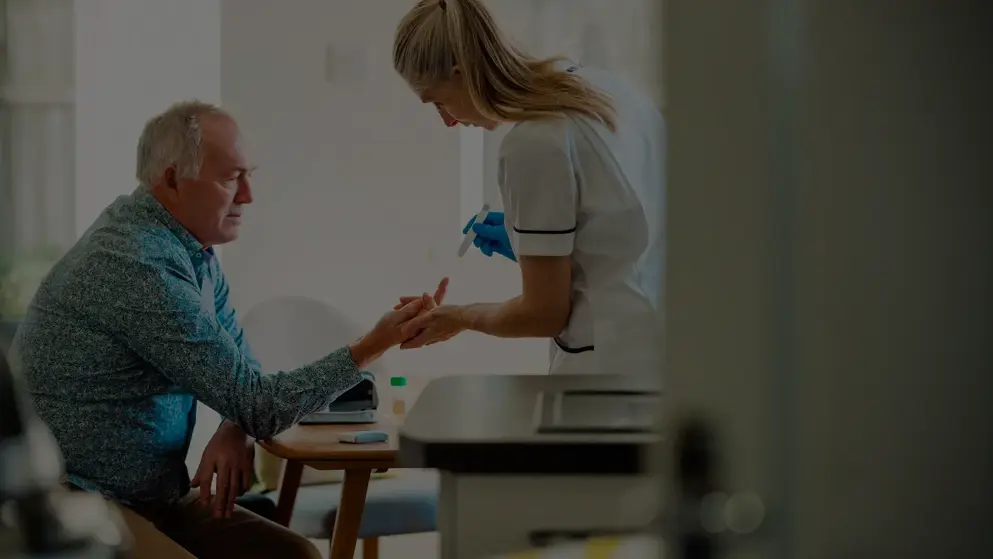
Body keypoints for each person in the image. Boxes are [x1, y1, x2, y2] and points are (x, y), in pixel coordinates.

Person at [9, 101, 426, 559]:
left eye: (249, 175)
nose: (248, 195)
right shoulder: (134, 264)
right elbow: (259, 403)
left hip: (158, 496)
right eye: (231, 178)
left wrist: (235, 425)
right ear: (171, 179)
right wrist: (372, 345)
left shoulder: (194, 254)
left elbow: (243, 372)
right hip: (84, 500)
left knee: (296, 555)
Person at [391, 0, 666, 377]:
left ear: (463, 73)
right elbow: (625, 231)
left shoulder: (534, 142)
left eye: (439, 101)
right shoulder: (611, 90)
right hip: (667, 350)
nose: (448, 121)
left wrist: (457, 317)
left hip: (609, 374)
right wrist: (537, 244)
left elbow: (542, 316)